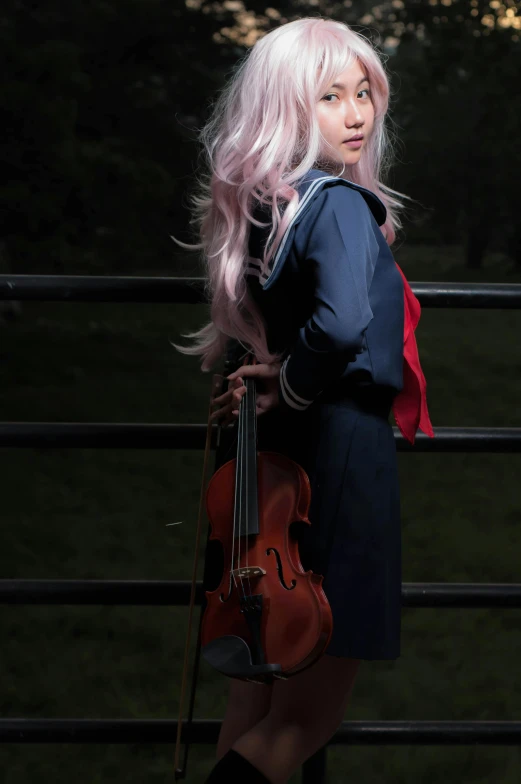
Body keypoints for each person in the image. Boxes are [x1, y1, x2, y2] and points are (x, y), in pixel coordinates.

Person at [171, 16, 434, 784]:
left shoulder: (259, 205)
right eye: (329, 96)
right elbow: (345, 323)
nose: (356, 114)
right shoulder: (339, 207)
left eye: (363, 94)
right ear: (286, 105)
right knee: (303, 723)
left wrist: (273, 380)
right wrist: (290, 378)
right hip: (338, 458)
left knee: (251, 704)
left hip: (274, 464)